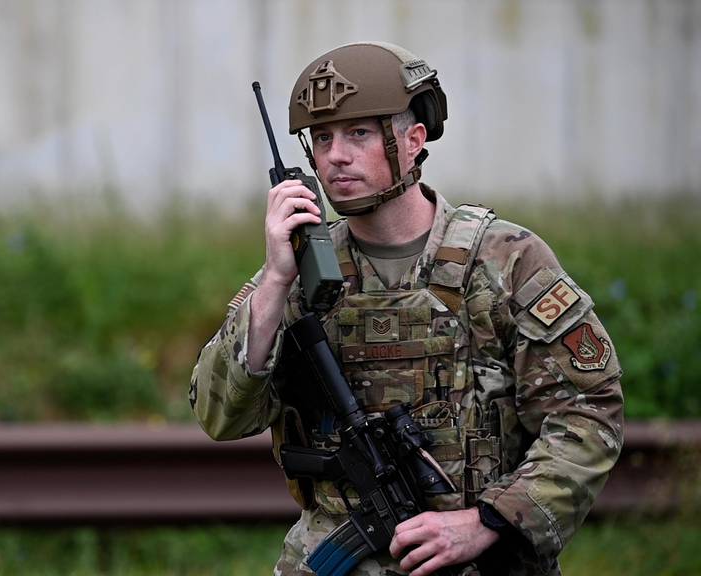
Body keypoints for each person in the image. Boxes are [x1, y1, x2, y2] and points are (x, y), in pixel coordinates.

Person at [190, 42, 624, 576]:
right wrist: (276, 278)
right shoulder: (298, 271)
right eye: (321, 138)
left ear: (413, 141)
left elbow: (588, 410)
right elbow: (220, 417)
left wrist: (488, 520)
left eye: (359, 134)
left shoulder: (504, 260)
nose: (336, 156)